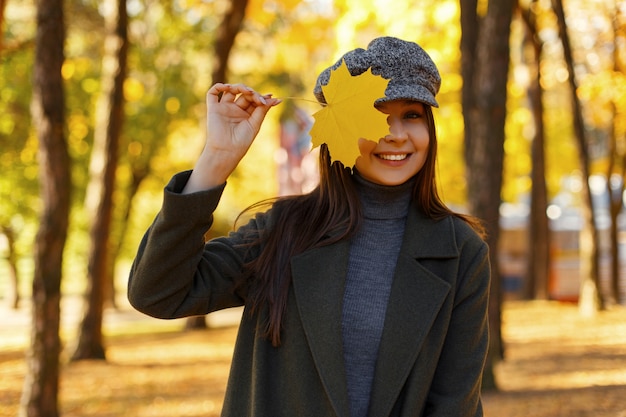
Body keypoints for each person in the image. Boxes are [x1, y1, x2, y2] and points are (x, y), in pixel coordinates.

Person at [128, 36, 490, 417]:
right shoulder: (283, 231)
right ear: (341, 129)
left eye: (412, 115)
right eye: (377, 115)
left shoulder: (461, 252)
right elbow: (157, 292)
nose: (395, 134)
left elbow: (456, 402)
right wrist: (216, 161)